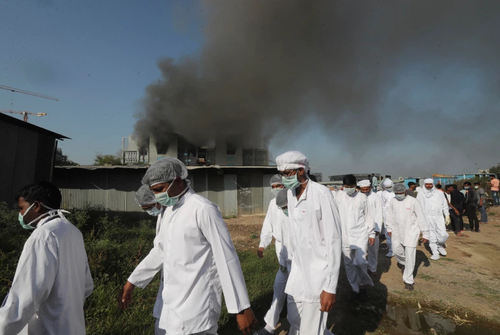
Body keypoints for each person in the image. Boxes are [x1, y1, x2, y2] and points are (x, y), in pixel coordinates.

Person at [119, 158, 257, 335]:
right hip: (171, 303)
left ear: (177, 181)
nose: (158, 196)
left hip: (197, 306)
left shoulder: (203, 209)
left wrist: (241, 307)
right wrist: (132, 281)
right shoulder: (169, 211)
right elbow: (160, 251)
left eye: (160, 190)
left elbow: (226, 257)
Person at [0, 181, 94, 335]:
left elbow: (26, 295)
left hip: (47, 328)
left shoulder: (43, 236)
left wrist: (3, 328)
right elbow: (87, 285)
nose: (21, 215)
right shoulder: (72, 231)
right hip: (72, 327)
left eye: (21, 208)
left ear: (37, 206)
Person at [276, 151, 341, 335]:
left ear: (301, 170)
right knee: (294, 319)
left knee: (311, 329)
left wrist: (330, 287)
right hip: (298, 270)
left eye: (288, 173)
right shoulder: (290, 194)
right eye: (282, 174)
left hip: (318, 274)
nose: (285, 178)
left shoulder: (322, 195)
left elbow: (334, 241)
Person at [255, 181, 290, 335]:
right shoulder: (272, 203)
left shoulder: (295, 200)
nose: (276, 189)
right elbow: (268, 225)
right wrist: (263, 244)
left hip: (299, 256)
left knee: (298, 294)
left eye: (279, 185)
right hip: (282, 252)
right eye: (273, 186)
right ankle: (270, 325)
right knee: (278, 289)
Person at [336, 175, 374, 302]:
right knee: (348, 264)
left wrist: (371, 233)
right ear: (343, 186)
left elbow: (368, 216)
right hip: (344, 235)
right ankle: (355, 288)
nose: (349, 189)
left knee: (361, 261)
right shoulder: (338, 197)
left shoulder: (362, 197)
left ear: (356, 186)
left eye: (351, 187)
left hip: (360, 235)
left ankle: (363, 284)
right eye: (347, 187)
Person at [386, 183, 429, 291]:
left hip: (411, 232)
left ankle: (408, 280)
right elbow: (389, 215)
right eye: (397, 193)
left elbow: (421, 217)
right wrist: (389, 228)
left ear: (405, 192)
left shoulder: (413, 201)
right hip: (397, 231)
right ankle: (404, 263)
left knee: (410, 255)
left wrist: (426, 233)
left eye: (401, 193)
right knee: (396, 251)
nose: (399, 195)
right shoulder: (393, 201)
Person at [135, 184, 166, 335]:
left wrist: (131, 282)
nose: (149, 212)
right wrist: (132, 281)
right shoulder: (163, 215)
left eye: (149, 208)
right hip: (169, 280)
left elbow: (160, 251)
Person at [416, 179, 450, 260]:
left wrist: (447, 215)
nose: (428, 186)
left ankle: (440, 245)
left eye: (430, 184)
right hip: (426, 217)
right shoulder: (421, 194)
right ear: (424, 185)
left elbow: (444, 204)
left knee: (443, 234)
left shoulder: (439, 193)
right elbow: (417, 206)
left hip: (438, 217)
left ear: (433, 184)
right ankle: (435, 252)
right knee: (431, 235)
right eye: (427, 184)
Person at [358, 180, 383, 278]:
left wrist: (377, 229)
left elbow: (379, 213)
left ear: (370, 188)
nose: (365, 191)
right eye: (363, 190)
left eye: (366, 189)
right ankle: (361, 268)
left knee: (373, 249)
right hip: (359, 227)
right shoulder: (357, 197)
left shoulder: (375, 197)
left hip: (373, 227)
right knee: (360, 249)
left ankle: (373, 268)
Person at [381, 179, 395, 257]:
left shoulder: (396, 192)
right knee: (388, 233)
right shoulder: (383, 193)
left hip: (396, 215)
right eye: (387, 187)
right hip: (387, 215)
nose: (388, 188)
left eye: (390, 187)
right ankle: (390, 250)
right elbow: (383, 204)